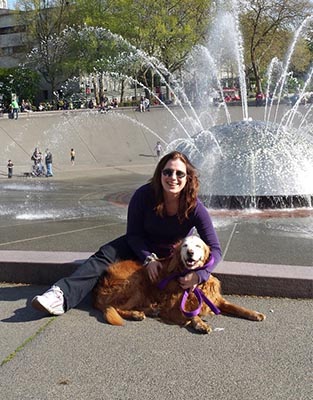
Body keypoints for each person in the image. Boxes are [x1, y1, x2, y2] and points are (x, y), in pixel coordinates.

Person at [31, 151, 222, 316]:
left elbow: (215, 249)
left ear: (188, 177)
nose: (173, 177)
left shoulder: (195, 208)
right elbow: (133, 235)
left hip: (172, 256)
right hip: (141, 246)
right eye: (168, 172)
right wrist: (148, 259)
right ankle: (61, 295)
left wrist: (201, 275)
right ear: (160, 174)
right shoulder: (144, 195)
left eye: (180, 173)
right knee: (104, 256)